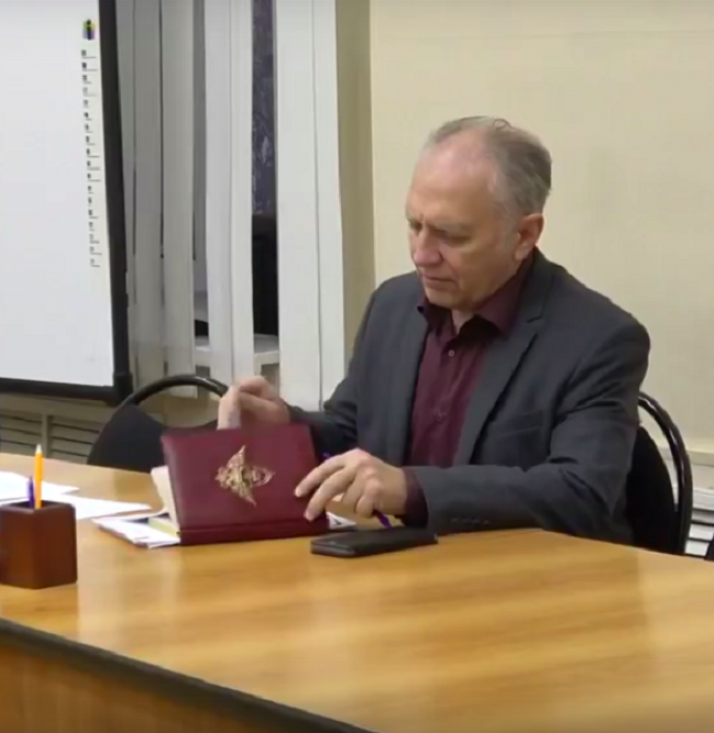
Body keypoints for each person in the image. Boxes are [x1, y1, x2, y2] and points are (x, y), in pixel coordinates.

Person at [218, 116, 650, 542]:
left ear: (523, 235)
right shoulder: (393, 305)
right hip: (398, 565)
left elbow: (581, 493)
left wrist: (413, 490)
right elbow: (350, 432)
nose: (422, 255)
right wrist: (285, 427)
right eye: (414, 225)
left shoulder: (598, 339)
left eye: (451, 236)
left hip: (535, 576)